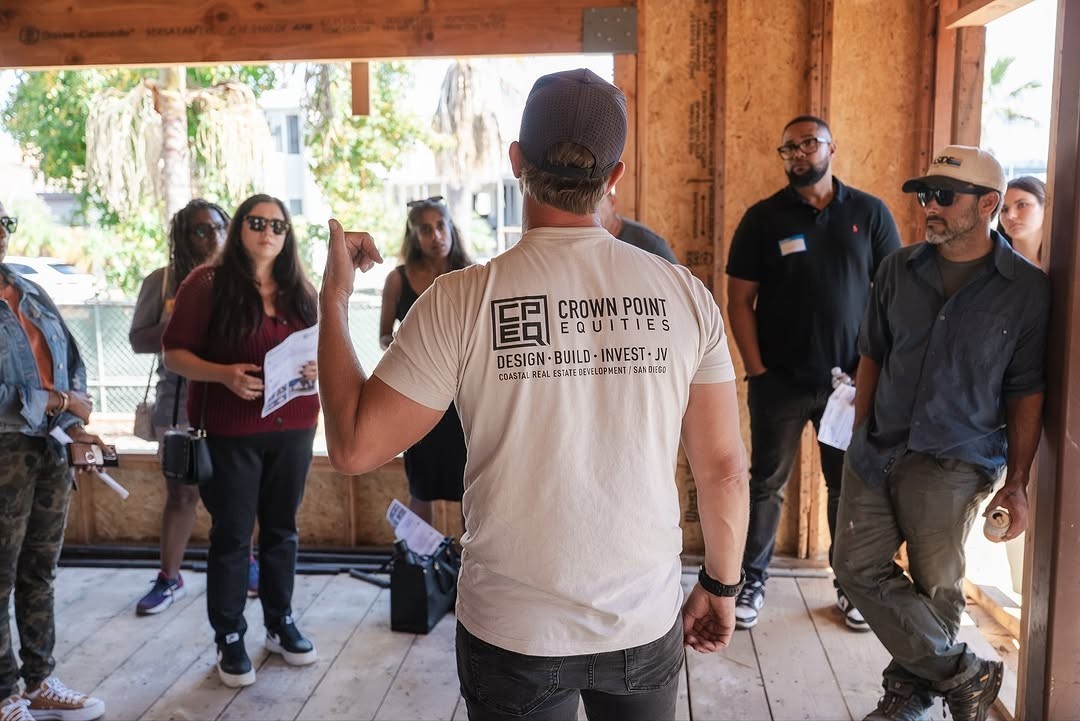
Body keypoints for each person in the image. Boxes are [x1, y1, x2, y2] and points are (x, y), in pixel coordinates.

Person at [319, 68, 749, 721]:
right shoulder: (686, 296)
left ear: (516, 161)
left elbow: (352, 445)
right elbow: (723, 469)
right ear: (615, 173)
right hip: (641, 620)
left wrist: (333, 299)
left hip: (512, 628)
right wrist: (721, 582)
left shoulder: (461, 301)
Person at [833, 146, 1050, 720]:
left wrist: (1019, 482)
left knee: (938, 588)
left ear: (988, 205)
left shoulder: (1026, 290)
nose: (929, 206)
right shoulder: (898, 269)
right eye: (925, 194)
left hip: (957, 457)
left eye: (943, 197)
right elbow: (872, 354)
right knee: (854, 566)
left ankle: (905, 699)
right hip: (879, 447)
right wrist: (861, 434)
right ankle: (967, 674)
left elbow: (1026, 389)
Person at [724, 114, 901, 632]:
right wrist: (757, 372)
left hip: (846, 387)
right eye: (789, 149)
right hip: (777, 384)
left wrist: (868, 373)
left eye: (809, 143)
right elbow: (739, 301)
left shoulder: (868, 214)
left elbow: (890, 297)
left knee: (844, 487)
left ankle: (848, 587)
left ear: (831, 147)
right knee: (765, 486)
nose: (799, 154)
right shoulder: (763, 219)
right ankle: (750, 582)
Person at [162, 194, 320, 688]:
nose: (268, 232)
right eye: (257, 222)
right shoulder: (205, 284)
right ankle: (229, 635)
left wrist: (320, 368)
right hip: (231, 430)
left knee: (281, 529)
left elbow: (326, 347)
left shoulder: (300, 288)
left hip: (294, 425)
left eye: (278, 224)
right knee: (232, 535)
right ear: (240, 229)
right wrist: (223, 375)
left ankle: (280, 622)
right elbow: (173, 355)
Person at [128, 199, 261, 616]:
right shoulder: (162, 281)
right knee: (181, 492)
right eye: (200, 230)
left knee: (238, 491)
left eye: (220, 228)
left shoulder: (246, 279)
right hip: (179, 402)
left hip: (232, 396)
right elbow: (137, 340)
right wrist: (178, 324)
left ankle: (248, 564)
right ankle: (170, 577)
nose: (213, 238)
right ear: (183, 237)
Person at [1, 203, 107, 721]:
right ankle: (4, 693)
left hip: (48, 446)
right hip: (4, 451)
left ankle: (40, 680)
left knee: (39, 570)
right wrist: (57, 402)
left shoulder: (28, 289)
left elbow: (71, 360)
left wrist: (72, 422)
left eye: (4, 221)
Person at [378, 196, 472, 524]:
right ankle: (421, 569)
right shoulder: (397, 279)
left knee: (471, 487)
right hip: (418, 396)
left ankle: (467, 569)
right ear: (413, 235)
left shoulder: (472, 276)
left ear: (452, 228)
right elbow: (383, 337)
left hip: (464, 398)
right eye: (426, 229)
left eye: (441, 226)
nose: (436, 236)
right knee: (421, 485)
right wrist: (411, 349)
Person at [598, 188, 679, 262]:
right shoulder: (589, 242)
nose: (589, 211)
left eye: (597, 202)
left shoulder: (651, 246)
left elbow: (677, 277)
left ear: (612, 202)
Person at [999, 175, 1047, 265]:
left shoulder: (1072, 265)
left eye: (1022, 205)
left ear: (1045, 207)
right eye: (1004, 209)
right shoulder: (989, 267)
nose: (1010, 215)